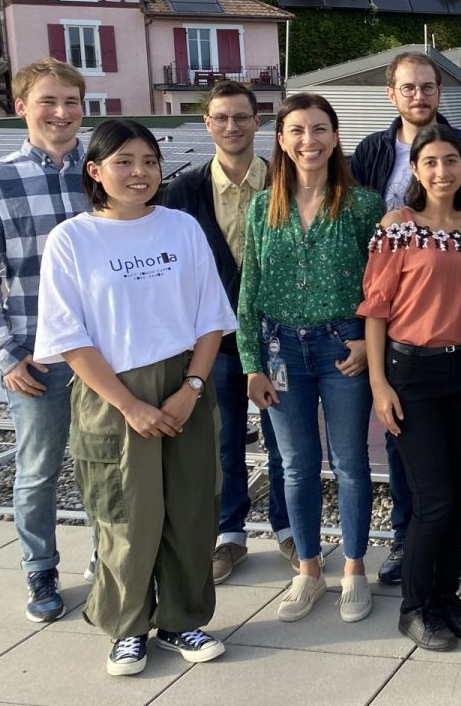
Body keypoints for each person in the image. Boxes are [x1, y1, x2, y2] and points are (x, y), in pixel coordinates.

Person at [34, 119, 234, 675]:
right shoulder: (72, 239)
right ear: (95, 171)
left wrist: (192, 388)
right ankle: (126, 626)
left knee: (191, 510)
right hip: (111, 392)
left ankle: (181, 620)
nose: (140, 172)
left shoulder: (181, 229)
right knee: (125, 515)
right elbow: (68, 337)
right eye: (124, 162)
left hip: (184, 385)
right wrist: (130, 405)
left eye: (148, 160)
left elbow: (211, 318)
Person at [350, 52, 461, 586]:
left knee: (453, 484)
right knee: (415, 468)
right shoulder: (376, 164)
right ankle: (413, 559)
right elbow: (374, 290)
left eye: (428, 86)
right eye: (408, 87)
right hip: (405, 355)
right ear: (392, 93)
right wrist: (377, 372)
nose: (419, 95)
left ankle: (441, 565)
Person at [238, 93, 382, 624]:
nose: (309, 140)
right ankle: (308, 568)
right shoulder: (262, 206)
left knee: (349, 463)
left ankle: (353, 568)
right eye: (297, 130)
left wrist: (370, 342)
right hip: (280, 351)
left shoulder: (363, 205)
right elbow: (249, 288)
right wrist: (251, 362)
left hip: (342, 346)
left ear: (336, 136)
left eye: (319, 129)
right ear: (280, 140)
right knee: (295, 466)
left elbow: (381, 287)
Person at [361, 124, 461, 651]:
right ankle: (415, 606)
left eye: (451, 161)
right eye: (431, 163)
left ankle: (447, 596)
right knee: (434, 498)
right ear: (416, 171)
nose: (442, 171)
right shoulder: (396, 228)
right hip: (411, 374)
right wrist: (379, 384)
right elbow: (375, 310)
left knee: (460, 494)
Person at [0, 58, 94, 622]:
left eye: (71, 101)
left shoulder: (107, 168)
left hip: (107, 352)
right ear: (21, 107)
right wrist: (5, 355)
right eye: (48, 101)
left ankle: (107, 558)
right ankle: (40, 568)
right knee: (39, 468)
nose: (62, 113)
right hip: (36, 356)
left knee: (104, 462)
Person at [161, 80, 293, 583]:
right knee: (222, 438)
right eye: (222, 118)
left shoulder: (285, 179)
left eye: (242, 117)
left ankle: (288, 527)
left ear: (257, 122)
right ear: (207, 124)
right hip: (213, 340)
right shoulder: (184, 190)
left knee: (285, 439)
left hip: (278, 335)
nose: (233, 126)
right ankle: (229, 534)